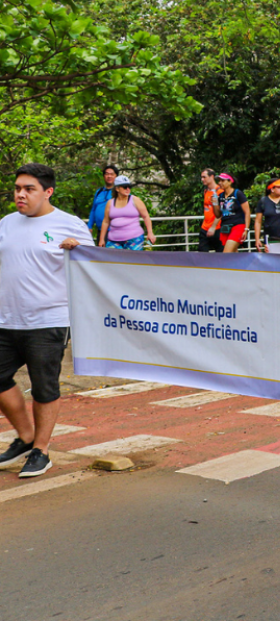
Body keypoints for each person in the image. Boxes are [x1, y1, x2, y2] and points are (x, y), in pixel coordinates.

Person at [0, 163, 93, 478]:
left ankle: (41, 450)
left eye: (29, 189)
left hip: (48, 320)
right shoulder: (7, 224)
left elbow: (93, 270)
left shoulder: (70, 225)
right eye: (17, 189)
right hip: (6, 319)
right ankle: (26, 438)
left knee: (44, 387)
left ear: (48, 191)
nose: (20, 195)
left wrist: (78, 251)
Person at [98, 175, 156, 250]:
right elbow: (106, 221)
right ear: (117, 189)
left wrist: (150, 233)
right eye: (125, 187)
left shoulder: (135, 200)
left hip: (134, 238)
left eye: (129, 186)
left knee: (132, 261)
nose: (128, 189)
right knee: (114, 260)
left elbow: (146, 217)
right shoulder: (110, 203)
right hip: (114, 240)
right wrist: (101, 239)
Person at [212, 173, 250, 253]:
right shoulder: (221, 196)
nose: (220, 183)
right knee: (233, 254)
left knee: (226, 253)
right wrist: (215, 204)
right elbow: (218, 215)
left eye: (222, 180)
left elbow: (247, 212)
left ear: (230, 182)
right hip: (225, 227)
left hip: (237, 226)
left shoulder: (238, 194)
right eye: (219, 181)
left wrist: (246, 229)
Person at [253, 178, 280, 251]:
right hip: (270, 237)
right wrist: (257, 239)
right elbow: (258, 221)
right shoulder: (263, 201)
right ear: (272, 189)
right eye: (279, 187)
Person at [87, 165, 118, 234]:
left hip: (115, 231)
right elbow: (93, 210)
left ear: (116, 176)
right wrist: (89, 226)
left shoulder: (119, 192)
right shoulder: (99, 192)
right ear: (104, 176)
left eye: (112, 174)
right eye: (107, 174)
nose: (109, 176)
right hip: (100, 230)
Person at [198, 168, 222, 252]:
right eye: (202, 177)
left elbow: (221, 212)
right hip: (205, 227)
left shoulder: (220, 191)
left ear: (211, 177)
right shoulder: (206, 191)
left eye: (204, 177)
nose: (202, 179)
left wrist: (213, 227)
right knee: (202, 252)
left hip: (217, 227)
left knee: (221, 254)